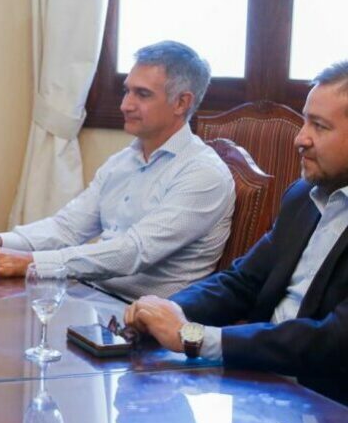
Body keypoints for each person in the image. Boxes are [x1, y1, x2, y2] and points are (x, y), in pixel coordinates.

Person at [125, 59, 348, 404]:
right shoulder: (304, 196)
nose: (300, 138)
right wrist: (163, 312)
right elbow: (241, 282)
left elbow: (331, 342)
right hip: (257, 382)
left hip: (325, 407)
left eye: (319, 126)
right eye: (305, 120)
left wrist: (193, 336)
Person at [0, 41, 235, 300]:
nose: (125, 105)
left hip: (146, 327)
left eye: (142, 94)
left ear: (181, 103)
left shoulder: (203, 174)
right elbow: (67, 228)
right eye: (127, 90)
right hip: (92, 300)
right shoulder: (123, 161)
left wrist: (31, 263)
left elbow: (133, 252)